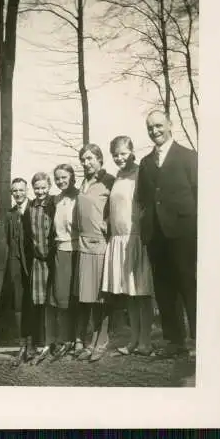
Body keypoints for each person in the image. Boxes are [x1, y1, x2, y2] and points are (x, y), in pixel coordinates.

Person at [136, 109, 197, 358]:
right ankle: (174, 341)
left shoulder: (188, 157)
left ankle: (197, 339)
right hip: (156, 236)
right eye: (150, 127)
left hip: (183, 232)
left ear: (170, 125)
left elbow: (199, 193)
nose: (155, 131)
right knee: (163, 289)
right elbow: (144, 198)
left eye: (159, 126)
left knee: (188, 284)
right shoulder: (145, 162)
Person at [101, 136, 154, 356]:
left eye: (123, 153)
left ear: (132, 151)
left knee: (142, 292)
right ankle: (133, 339)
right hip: (119, 239)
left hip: (137, 238)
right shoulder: (117, 177)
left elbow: (148, 203)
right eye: (115, 154)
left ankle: (145, 341)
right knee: (129, 294)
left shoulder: (141, 173)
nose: (119, 158)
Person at [74, 143, 115, 362]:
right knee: (87, 297)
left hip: (100, 243)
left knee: (101, 297)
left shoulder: (109, 180)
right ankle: (89, 342)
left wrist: (107, 223)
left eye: (89, 158)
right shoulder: (83, 182)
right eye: (83, 159)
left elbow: (118, 206)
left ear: (99, 158)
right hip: (83, 244)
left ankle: (102, 341)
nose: (86, 162)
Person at [46, 164, 79, 362]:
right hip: (61, 250)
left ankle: (79, 339)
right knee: (61, 298)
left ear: (72, 176)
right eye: (57, 178)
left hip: (79, 250)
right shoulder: (56, 199)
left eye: (64, 177)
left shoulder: (80, 196)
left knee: (77, 297)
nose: (60, 181)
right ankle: (64, 339)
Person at [3, 177, 34, 366]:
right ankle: (22, 345)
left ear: (27, 190)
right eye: (15, 191)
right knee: (19, 304)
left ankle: (36, 344)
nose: (18, 194)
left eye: (21, 190)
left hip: (34, 263)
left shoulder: (35, 209)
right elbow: (9, 241)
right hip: (16, 264)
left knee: (35, 303)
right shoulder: (10, 214)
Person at [28, 172, 57, 365]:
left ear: (49, 187)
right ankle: (40, 341)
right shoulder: (30, 207)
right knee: (39, 302)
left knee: (53, 301)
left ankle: (54, 340)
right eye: (37, 188)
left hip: (53, 258)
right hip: (38, 260)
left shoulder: (53, 204)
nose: (40, 191)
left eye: (43, 188)